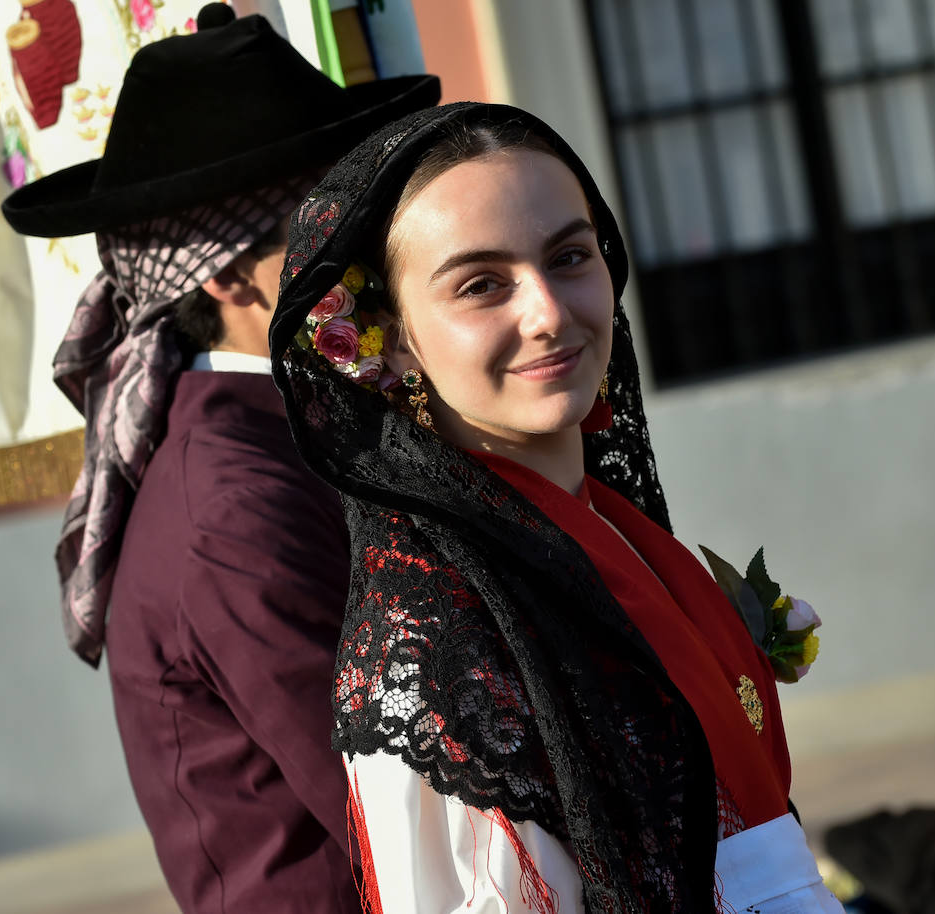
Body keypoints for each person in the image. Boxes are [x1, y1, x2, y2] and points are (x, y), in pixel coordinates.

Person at [267, 102, 841, 913]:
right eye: (480, 284)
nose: (547, 313)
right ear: (390, 340)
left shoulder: (618, 531)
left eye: (569, 256)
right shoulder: (438, 632)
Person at [0, 6, 439, 912]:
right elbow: (400, 803)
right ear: (230, 278)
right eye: (331, 223)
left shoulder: (294, 425)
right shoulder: (232, 505)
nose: (372, 249)